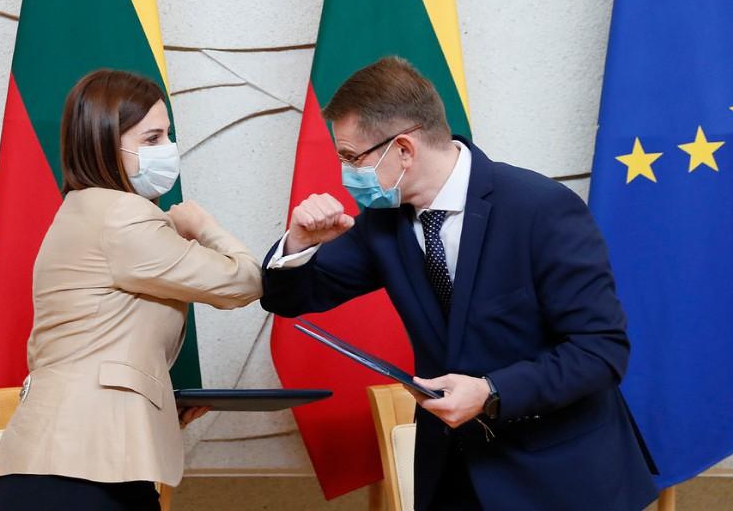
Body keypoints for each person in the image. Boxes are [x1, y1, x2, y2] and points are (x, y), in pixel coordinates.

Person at [261, 57, 657, 510]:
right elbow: (289, 299)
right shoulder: (382, 224)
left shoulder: (541, 209)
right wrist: (299, 242)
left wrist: (491, 391)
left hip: (559, 478)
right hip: (453, 476)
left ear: (404, 149)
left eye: (352, 158)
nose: (345, 173)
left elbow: (600, 351)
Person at [0, 69, 262, 511]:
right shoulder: (123, 216)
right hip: (75, 476)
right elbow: (243, 281)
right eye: (152, 138)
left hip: (79, 465)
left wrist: (158, 406)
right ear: (103, 143)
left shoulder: (86, 209)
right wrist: (204, 226)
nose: (168, 149)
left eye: (167, 135)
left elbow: (100, 350)